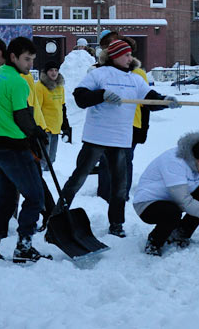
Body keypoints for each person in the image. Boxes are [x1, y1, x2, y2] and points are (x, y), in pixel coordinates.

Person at [55, 39, 180, 238]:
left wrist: (165, 101)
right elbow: (80, 97)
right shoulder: (98, 74)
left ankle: (116, 224)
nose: (131, 58)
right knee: (77, 179)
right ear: (114, 56)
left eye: (130, 54)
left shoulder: (135, 79)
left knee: (120, 187)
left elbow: (150, 99)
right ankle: (56, 216)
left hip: (121, 140)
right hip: (95, 137)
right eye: (126, 55)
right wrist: (101, 95)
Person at [0, 36, 51, 266]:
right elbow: (21, 117)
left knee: (4, 201)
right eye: (27, 59)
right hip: (14, 149)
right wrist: (37, 132)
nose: (30, 65)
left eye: (32, 60)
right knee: (35, 196)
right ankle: (24, 247)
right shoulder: (19, 82)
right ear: (13, 57)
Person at [96, 33, 151, 202]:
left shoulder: (138, 74)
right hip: (109, 124)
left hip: (131, 124)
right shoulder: (104, 71)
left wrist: (143, 128)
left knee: (125, 160)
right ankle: (104, 195)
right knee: (106, 160)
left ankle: (122, 195)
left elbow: (146, 103)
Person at [34, 60, 72, 170]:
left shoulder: (60, 87)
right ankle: (42, 179)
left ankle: (49, 178)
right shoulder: (40, 87)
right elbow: (37, 109)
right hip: (44, 128)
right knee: (43, 159)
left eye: (56, 70)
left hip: (55, 128)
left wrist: (65, 126)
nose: (54, 73)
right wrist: (39, 128)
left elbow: (62, 108)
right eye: (51, 70)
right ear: (46, 72)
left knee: (52, 158)